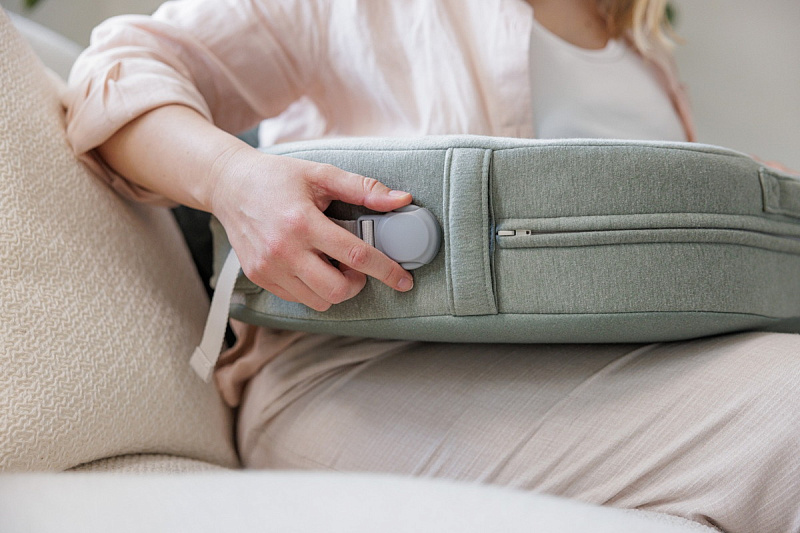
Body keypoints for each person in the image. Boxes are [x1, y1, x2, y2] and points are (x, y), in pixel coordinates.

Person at [63, 1, 800, 531]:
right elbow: (115, 73)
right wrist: (232, 179)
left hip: (626, 366)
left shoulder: (641, 48)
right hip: (356, 378)